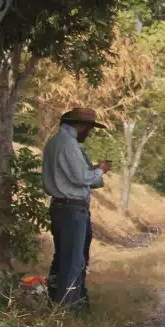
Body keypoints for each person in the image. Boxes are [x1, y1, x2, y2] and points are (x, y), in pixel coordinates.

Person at [41, 107, 111, 312]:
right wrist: (101, 170)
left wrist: (94, 172)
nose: (89, 133)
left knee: (65, 256)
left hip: (64, 206)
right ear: (80, 126)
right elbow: (81, 178)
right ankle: (68, 309)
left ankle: (58, 302)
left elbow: (84, 178)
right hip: (71, 208)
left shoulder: (56, 143)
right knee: (74, 259)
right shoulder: (68, 144)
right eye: (88, 129)